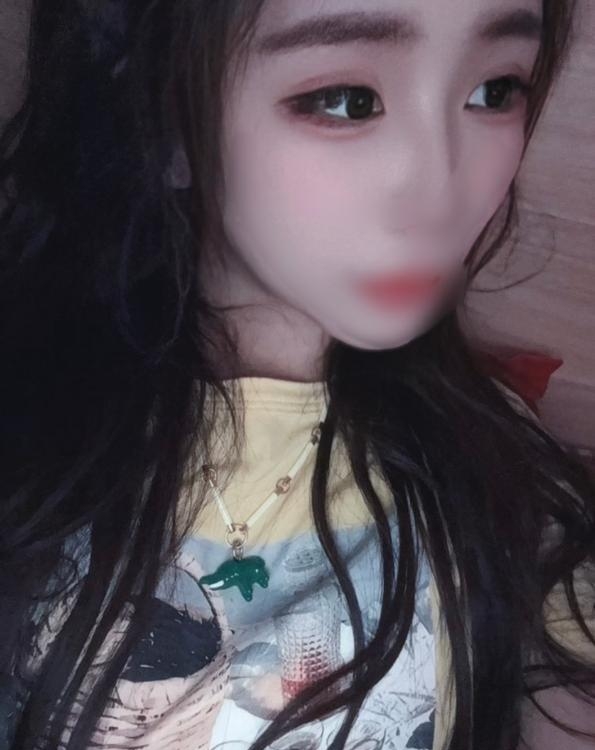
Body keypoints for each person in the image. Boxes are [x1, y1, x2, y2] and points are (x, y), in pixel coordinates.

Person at [0, 1, 594, 749]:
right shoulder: (29, 432)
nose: (444, 192)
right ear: (165, 119)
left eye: (493, 91)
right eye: (347, 101)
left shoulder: (502, 468)